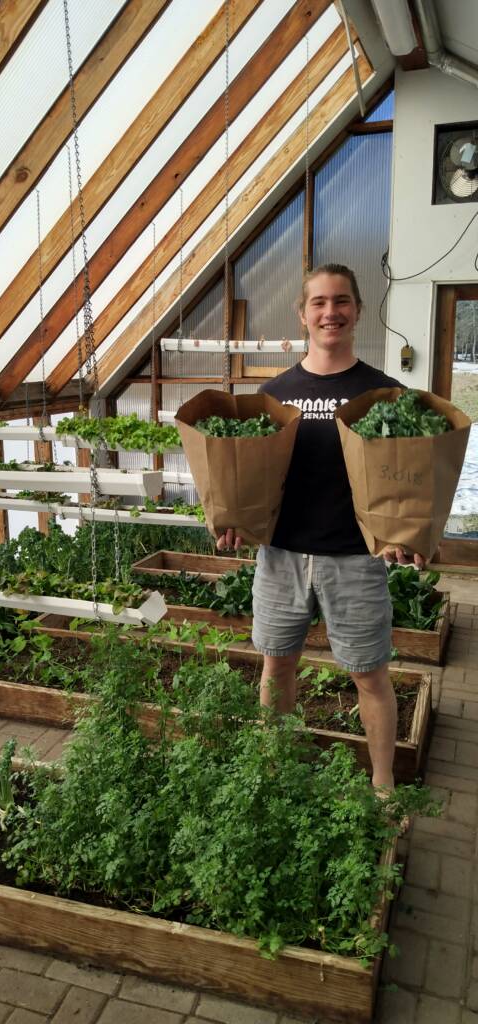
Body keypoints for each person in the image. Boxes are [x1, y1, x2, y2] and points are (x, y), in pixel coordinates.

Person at [216, 263, 425, 794]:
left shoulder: (384, 394)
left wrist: (410, 532)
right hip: (282, 557)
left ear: (357, 309)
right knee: (276, 668)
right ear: (302, 313)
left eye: (341, 301)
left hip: (354, 558)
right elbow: (253, 478)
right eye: (319, 303)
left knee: (370, 676)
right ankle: (275, 771)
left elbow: (406, 481)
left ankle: (382, 787)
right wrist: (237, 518)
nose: (330, 312)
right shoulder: (275, 394)